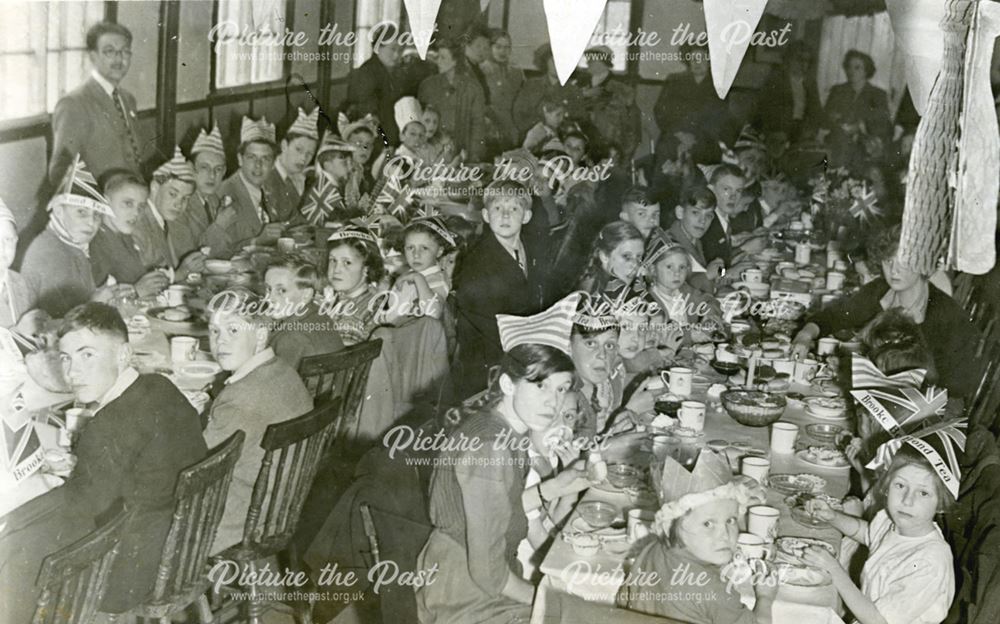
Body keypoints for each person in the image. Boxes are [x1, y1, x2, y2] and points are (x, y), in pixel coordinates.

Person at [0, 303, 207, 621]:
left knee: (16, 546)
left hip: (130, 574)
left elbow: (80, 513)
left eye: (87, 355)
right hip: (182, 550)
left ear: (124, 354)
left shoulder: (107, 425)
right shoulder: (161, 387)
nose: (72, 372)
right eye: (67, 358)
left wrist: (39, 486)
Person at [415, 342, 577, 624]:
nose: (553, 401)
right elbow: (488, 574)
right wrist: (548, 599)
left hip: (480, 578)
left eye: (561, 389)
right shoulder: (490, 448)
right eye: (540, 385)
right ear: (508, 384)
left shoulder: (500, 430)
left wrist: (557, 486)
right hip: (466, 596)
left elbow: (501, 508)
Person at [791, 225, 982, 398]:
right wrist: (805, 335)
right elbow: (833, 317)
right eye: (888, 261)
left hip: (923, 410)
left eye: (904, 263)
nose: (894, 271)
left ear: (924, 264)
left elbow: (956, 390)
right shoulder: (880, 290)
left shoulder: (949, 317)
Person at [800, 435, 958, 624]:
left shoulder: (930, 563)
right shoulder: (895, 522)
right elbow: (867, 533)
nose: (907, 500)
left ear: (941, 503)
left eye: (923, 493)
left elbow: (877, 620)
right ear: (886, 486)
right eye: (900, 485)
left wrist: (834, 568)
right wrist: (833, 516)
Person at [204, 288, 314, 550]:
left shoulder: (240, 398)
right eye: (214, 330)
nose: (220, 342)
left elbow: (194, 465)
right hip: (276, 509)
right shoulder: (282, 369)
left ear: (261, 335)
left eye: (233, 330)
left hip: (234, 523)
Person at [618, 450, 773, 623]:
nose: (724, 535)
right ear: (671, 525)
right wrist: (765, 598)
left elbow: (624, 600)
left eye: (730, 520)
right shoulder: (713, 588)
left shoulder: (652, 549)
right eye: (708, 524)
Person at [453, 180, 546, 396]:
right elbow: (481, 323)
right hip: (487, 361)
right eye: (497, 208)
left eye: (513, 208)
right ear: (485, 215)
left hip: (521, 347)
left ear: (526, 216)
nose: (505, 215)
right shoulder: (477, 261)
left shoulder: (530, 249)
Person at [49, 22, 144, 183]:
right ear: (93, 57)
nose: (119, 59)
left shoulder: (128, 99)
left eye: (125, 52)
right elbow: (60, 172)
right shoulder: (73, 104)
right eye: (109, 52)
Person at [21, 157, 112, 316]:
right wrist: (97, 302)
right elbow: (61, 322)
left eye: (97, 215)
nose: (91, 222)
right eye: (81, 212)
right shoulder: (49, 252)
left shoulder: (72, 244)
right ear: (58, 211)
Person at [90, 170, 170, 297]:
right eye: (128, 203)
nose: (136, 213)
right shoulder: (95, 242)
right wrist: (136, 291)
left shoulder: (125, 236)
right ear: (106, 201)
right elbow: (94, 305)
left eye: (141, 206)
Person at [131, 146, 206, 278]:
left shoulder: (163, 219)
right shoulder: (140, 223)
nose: (179, 204)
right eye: (173, 194)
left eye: (185, 198)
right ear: (154, 187)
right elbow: (145, 279)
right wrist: (181, 273)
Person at [653, 43, 734, 164]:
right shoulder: (674, 80)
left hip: (705, 140)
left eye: (701, 58)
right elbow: (661, 111)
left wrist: (695, 138)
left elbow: (720, 118)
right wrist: (680, 134)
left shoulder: (719, 86)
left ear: (710, 61)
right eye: (693, 58)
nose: (697, 63)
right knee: (665, 155)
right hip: (675, 136)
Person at [214, 116, 284, 256]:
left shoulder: (268, 187)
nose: (258, 166)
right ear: (240, 159)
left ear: (273, 163)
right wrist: (257, 242)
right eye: (252, 157)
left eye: (265, 159)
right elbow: (218, 251)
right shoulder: (226, 194)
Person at [263, 253, 345, 370]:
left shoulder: (290, 338)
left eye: (281, 290)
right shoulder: (316, 312)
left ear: (306, 294)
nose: (269, 298)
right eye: (268, 289)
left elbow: (274, 383)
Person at [419, 39, 487, 162]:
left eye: (443, 58)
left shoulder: (473, 88)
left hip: (461, 152)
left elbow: (478, 125)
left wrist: (474, 157)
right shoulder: (427, 85)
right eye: (437, 57)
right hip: (431, 153)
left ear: (455, 61)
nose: (438, 61)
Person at [823, 50, 893, 170]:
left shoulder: (878, 94)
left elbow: (883, 123)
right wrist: (834, 119)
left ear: (866, 70)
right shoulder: (838, 90)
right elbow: (825, 118)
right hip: (838, 138)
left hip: (864, 141)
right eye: (849, 67)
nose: (851, 71)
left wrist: (860, 126)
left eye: (857, 68)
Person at [382, 216, 455, 324]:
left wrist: (418, 278)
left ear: (439, 251)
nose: (416, 255)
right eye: (410, 248)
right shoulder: (408, 274)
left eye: (424, 248)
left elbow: (432, 313)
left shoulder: (438, 279)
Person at [323, 223, 386, 345]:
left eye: (347, 262)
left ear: (366, 268)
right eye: (333, 260)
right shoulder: (365, 295)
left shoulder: (351, 321)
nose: (336, 269)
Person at [580, 46, 641, 160]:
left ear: (603, 62)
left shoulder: (620, 87)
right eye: (588, 59)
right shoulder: (580, 82)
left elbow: (630, 120)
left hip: (608, 138)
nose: (588, 62)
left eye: (592, 60)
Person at [513, 45, 582, 139]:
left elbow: (580, 117)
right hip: (533, 137)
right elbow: (518, 113)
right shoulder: (532, 85)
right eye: (554, 61)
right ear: (546, 62)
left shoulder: (573, 90)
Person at [345, 27, 401, 144]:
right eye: (392, 50)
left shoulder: (387, 71)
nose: (397, 55)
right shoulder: (367, 72)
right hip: (374, 139)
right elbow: (369, 115)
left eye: (399, 50)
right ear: (377, 48)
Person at [758, 41, 822, 143]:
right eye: (800, 60)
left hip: (802, 130)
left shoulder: (810, 83)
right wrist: (776, 130)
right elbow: (765, 109)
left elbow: (816, 111)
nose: (804, 65)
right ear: (789, 59)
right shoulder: (776, 80)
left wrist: (811, 130)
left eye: (807, 61)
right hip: (780, 129)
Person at [264, 107, 319, 222]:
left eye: (310, 153)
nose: (304, 158)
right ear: (284, 145)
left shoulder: (307, 178)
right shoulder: (265, 176)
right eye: (298, 149)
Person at [668, 186, 722, 294]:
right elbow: (672, 290)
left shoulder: (696, 241)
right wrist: (707, 275)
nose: (702, 221)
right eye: (695, 213)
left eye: (709, 215)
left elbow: (711, 273)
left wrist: (723, 272)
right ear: (680, 212)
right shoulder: (669, 245)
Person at [300, 135, 360, 226]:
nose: (350, 165)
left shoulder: (339, 186)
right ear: (327, 165)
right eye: (343, 160)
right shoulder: (323, 190)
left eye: (350, 160)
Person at [480, 28, 524, 150]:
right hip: (490, 126)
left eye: (506, 47)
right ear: (490, 47)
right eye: (498, 47)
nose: (502, 51)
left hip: (512, 126)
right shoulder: (482, 69)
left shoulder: (517, 72)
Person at [576, 221, 645, 296]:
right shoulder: (585, 296)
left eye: (639, 257)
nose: (635, 265)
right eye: (627, 257)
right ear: (604, 257)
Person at [0, 199, 35, 329]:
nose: (2, 248)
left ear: (16, 240)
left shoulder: (20, 282)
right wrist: (18, 332)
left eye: (8, 239)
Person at [186, 124, 228, 231]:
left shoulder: (214, 200)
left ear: (224, 172)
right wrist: (219, 226)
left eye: (218, 169)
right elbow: (193, 247)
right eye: (204, 167)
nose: (212, 175)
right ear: (190, 168)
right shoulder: (182, 205)